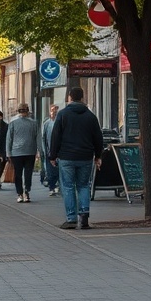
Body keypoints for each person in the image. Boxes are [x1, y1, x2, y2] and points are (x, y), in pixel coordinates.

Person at [48, 87, 103, 230]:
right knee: (83, 186)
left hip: (66, 156)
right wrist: (98, 155)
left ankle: (71, 218)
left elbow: (56, 136)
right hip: (85, 157)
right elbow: (98, 137)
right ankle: (84, 217)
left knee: (68, 186)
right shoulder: (90, 116)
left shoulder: (62, 114)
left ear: (70, 97)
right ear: (82, 98)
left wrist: (52, 155)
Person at [6, 103, 40, 203]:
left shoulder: (13, 123)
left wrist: (8, 153)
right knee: (28, 174)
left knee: (18, 174)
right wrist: (40, 151)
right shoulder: (34, 123)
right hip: (30, 151)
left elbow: (9, 139)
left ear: (18, 111)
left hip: (16, 152)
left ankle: (20, 194)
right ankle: (26, 192)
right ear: (28, 111)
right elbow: (38, 138)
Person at [41, 104, 60, 196]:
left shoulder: (59, 122)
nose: (54, 112)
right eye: (52, 110)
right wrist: (44, 150)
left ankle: (57, 186)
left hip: (58, 152)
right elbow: (43, 138)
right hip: (49, 151)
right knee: (50, 171)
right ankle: (51, 187)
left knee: (58, 170)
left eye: (55, 110)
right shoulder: (46, 123)